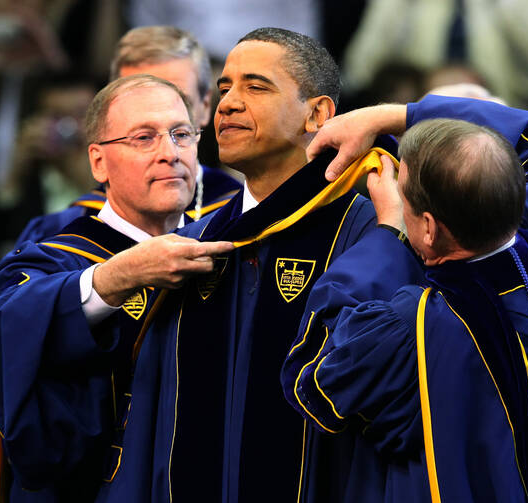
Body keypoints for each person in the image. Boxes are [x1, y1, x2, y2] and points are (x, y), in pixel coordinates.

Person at [89, 27, 412, 503]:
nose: (227, 104)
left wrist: (393, 242)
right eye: (223, 89)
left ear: (318, 114)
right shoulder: (191, 247)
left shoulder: (372, 236)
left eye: (255, 87)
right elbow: (146, 428)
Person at [282, 96, 528, 501]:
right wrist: (395, 117)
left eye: (406, 200)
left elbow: (314, 379)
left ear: (429, 228)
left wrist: (388, 235)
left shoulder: (415, 327)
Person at [0, 74, 233, 502]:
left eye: (181, 134)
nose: (170, 153)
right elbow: (2, 337)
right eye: (144, 138)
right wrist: (117, 277)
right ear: (98, 162)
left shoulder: (229, 254)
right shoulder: (54, 259)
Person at [17, 25, 242, 244]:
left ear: (205, 106)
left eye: (178, 100)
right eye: (135, 100)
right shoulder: (59, 232)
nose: (157, 114)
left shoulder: (244, 211)